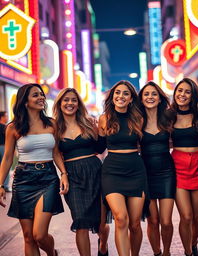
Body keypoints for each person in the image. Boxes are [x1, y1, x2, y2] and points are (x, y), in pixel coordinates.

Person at [0, 83, 69, 256]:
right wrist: (0, 184)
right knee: (28, 237)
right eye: (35, 95)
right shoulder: (13, 127)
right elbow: (8, 158)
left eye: (41, 95)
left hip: (48, 178)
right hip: (23, 179)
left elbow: (56, 153)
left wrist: (64, 174)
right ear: (25, 101)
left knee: (39, 234)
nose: (41, 98)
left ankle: (52, 253)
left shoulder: (51, 124)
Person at [53, 88, 109, 256]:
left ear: (78, 104)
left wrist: (100, 131)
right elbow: (55, 153)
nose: (70, 103)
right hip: (72, 175)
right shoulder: (54, 127)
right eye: (66, 100)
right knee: (80, 221)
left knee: (101, 223)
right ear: (60, 103)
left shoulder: (88, 122)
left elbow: (100, 148)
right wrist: (63, 174)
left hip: (95, 171)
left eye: (73, 100)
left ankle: (103, 247)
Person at [98, 80, 149, 256]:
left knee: (135, 223)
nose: (121, 96)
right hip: (112, 172)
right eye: (117, 92)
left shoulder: (139, 118)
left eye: (125, 93)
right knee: (121, 218)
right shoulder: (104, 119)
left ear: (131, 99)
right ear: (112, 97)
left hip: (136, 170)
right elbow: (98, 147)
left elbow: (146, 144)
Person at [139, 81, 175, 256]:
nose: (150, 97)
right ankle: (157, 253)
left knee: (166, 221)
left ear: (160, 98)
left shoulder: (168, 117)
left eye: (154, 94)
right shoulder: (137, 120)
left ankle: (167, 252)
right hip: (145, 173)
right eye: (146, 94)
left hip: (167, 171)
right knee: (153, 220)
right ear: (141, 98)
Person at [170, 78, 198, 256]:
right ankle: (188, 252)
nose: (182, 95)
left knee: (197, 218)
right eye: (179, 91)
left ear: (193, 96)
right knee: (186, 216)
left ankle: (194, 242)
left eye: (187, 92)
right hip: (177, 167)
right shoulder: (168, 116)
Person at [0, 111, 10, 191]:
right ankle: (5, 186)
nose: (7, 118)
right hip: (3, 147)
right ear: (2, 117)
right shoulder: (5, 127)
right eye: (6, 116)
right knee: (6, 165)